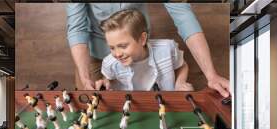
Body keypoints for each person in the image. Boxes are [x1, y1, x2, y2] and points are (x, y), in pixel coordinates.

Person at [66, 3, 230, 96]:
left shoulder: (161, 48)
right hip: (94, 54)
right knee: (93, 106)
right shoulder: (109, 62)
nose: (117, 53)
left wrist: (211, 74)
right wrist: (85, 77)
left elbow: (183, 15)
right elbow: (76, 28)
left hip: (138, 48)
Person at [96, 9, 193, 91]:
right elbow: (108, 78)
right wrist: (105, 82)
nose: (117, 54)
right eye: (112, 48)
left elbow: (182, 65)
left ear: (142, 39)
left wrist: (180, 82)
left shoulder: (167, 48)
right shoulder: (110, 63)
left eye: (123, 46)